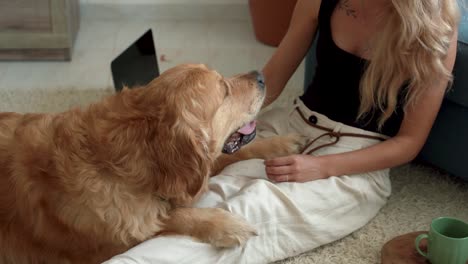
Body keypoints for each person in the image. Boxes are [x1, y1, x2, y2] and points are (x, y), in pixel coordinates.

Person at [104, 0, 460, 263]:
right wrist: (219, 116)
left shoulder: (437, 23)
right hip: (291, 122)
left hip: (355, 164)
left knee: (245, 217)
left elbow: (408, 143)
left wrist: (319, 168)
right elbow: (270, 80)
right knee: (197, 192)